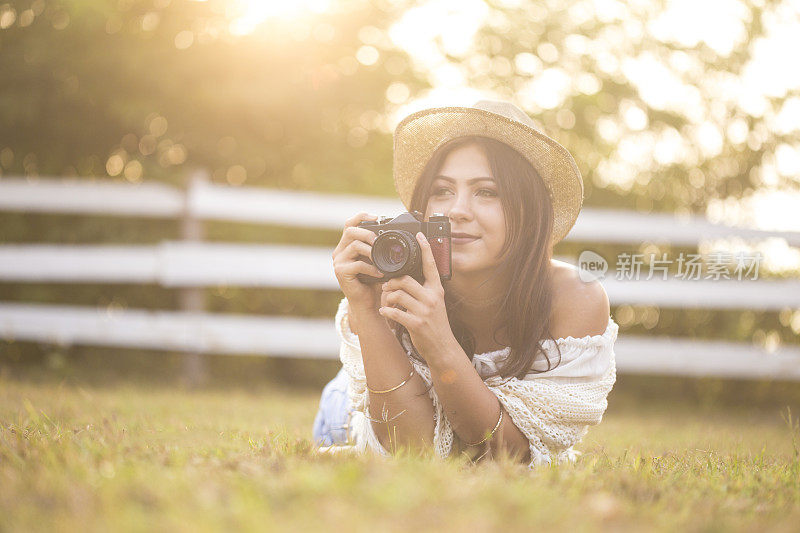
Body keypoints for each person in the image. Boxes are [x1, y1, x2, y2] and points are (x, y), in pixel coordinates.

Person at [312, 99, 618, 469]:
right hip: (348, 411)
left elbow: (514, 457)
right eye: (442, 190)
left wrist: (437, 338)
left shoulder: (573, 296)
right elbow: (411, 451)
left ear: (528, 208)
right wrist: (366, 312)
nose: (456, 209)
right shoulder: (395, 284)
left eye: (486, 192)